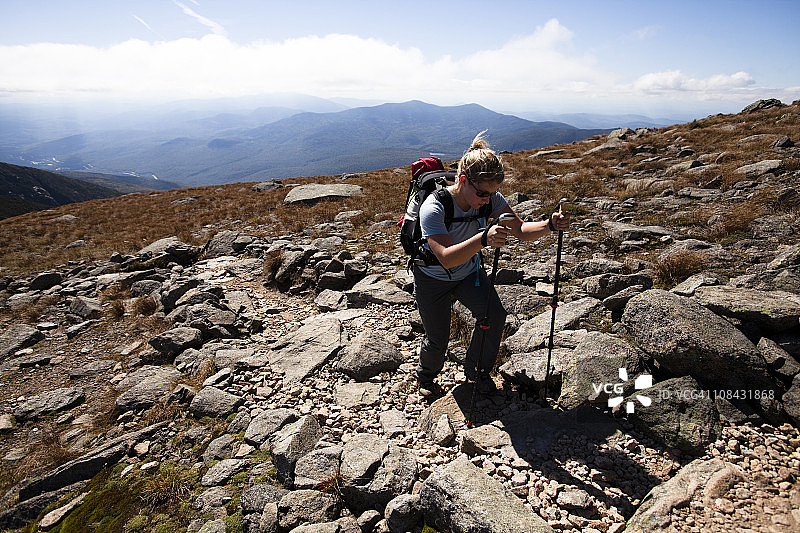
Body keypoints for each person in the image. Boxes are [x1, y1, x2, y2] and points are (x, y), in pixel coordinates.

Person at [414, 131, 571, 399]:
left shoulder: (491, 199)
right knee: (438, 338)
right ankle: (426, 375)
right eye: (482, 193)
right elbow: (446, 258)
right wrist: (483, 239)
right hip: (432, 278)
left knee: (494, 316)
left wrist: (550, 225)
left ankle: (477, 372)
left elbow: (521, 230)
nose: (487, 200)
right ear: (463, 180)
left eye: (492, 193)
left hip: (468, 273)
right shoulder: (434, 206)